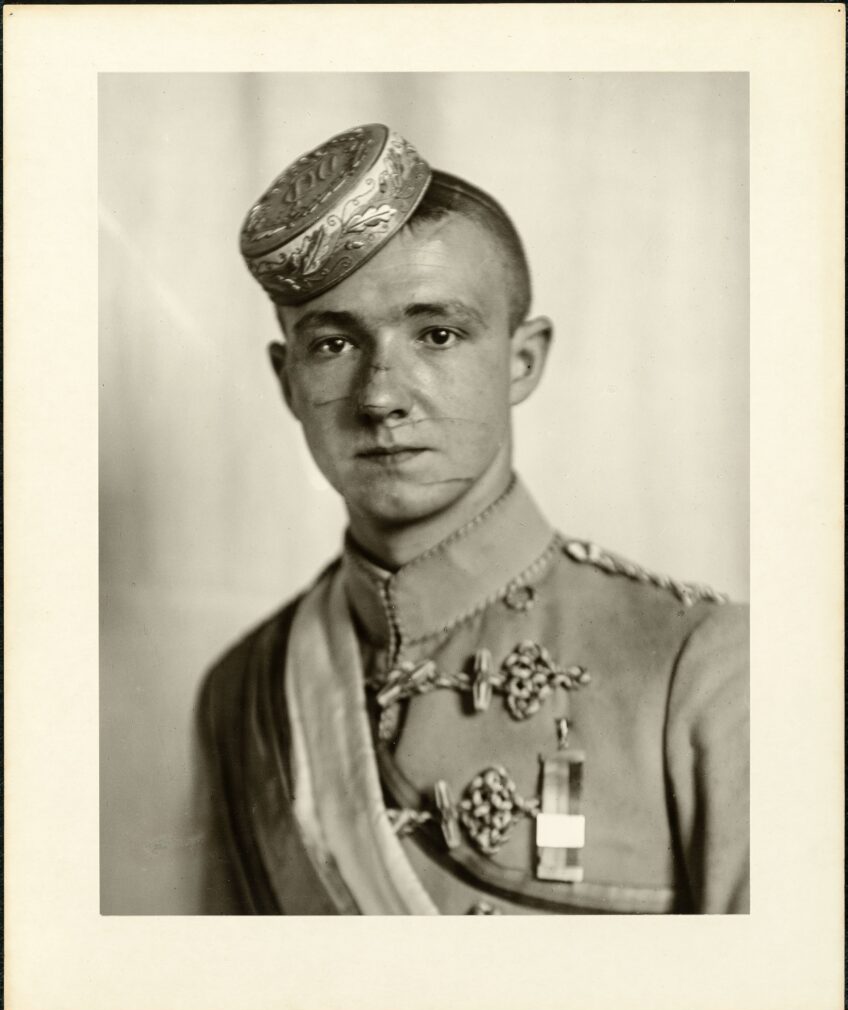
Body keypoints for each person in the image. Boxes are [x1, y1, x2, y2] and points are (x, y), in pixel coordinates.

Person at [197, 123, 749, 915]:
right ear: (287, 381)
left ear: (522, 360)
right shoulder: (240, 694)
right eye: (334, 345)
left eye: (438, 334)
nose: (381, 396)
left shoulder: (699, 665)